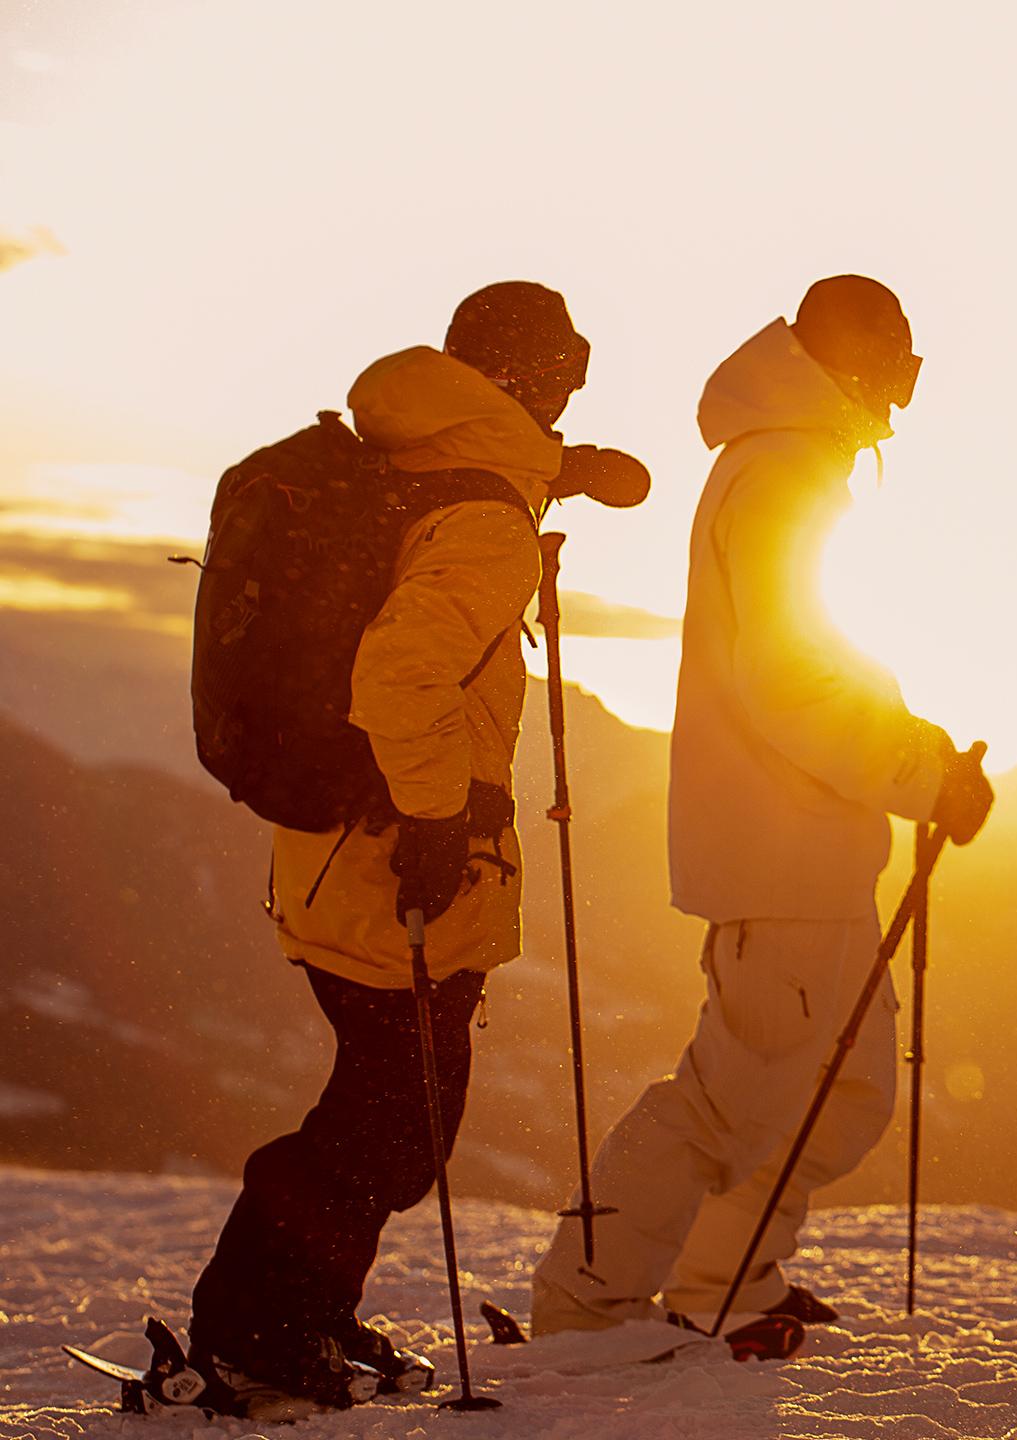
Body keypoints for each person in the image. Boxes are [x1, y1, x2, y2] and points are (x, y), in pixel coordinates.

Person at [532, 274, 994, 1350]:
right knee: (742, 1103)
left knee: (818, 1093)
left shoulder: (788, 463)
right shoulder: (785, 470)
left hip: (798, 847)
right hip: (784, 851)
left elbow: (824, 665)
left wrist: (918, 754)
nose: (902, 399)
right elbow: (791, 685)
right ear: (854, 361)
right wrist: (921, 780)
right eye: (899, 368)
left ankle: (720, 1278)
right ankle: (609, 1299)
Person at [187, 282, 597, 1410]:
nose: (573, 390)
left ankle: (296, 1317)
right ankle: (254, 1332)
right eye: (565, 371)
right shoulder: (483, 519)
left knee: (386, 1112)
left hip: (333, 846)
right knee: (389, 1123)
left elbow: (455, 515)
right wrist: (432, 819)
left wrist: (567, 469)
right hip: (390, 856)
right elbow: (403, 672)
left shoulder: (415, 454)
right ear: (518, 378)